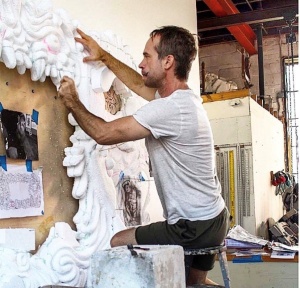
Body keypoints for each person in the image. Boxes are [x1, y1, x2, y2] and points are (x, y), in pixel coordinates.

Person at [58, 26, 230, 286]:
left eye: (147, 56)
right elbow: (139, 84)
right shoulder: (184, 100)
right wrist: (103, 56)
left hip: (194, 226)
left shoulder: (169, 109)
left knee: (117, 242)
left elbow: (103, 134)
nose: (141, 63)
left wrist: (72, 100)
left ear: (168, 61)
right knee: (192, 283)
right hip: (215, 219)